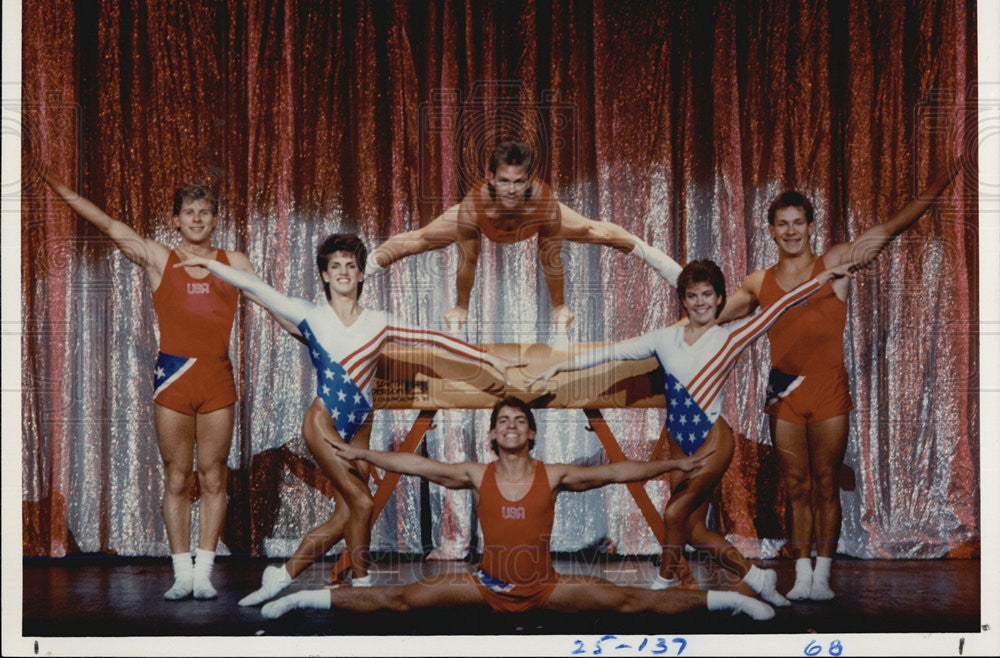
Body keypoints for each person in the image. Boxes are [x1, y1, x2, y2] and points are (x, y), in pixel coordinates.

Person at [176, 233, 518, 606]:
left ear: (359, 275)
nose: (342, 272)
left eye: (350, 266)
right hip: (323, 422)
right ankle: (340, 579)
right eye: (334, 266)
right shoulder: (309, 314)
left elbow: (434, 339)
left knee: (347, 514)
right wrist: (209, 264)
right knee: (364, 503)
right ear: (324, 275)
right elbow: (254, 285)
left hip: (360, 422)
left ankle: (329, 581)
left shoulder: (380, 322)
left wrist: (489, 359)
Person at [257, 397, 776, 621]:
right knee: (400, 600)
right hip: (486, 584)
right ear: (491, 434)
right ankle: (306, 601)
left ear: (530, 433)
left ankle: (728, 603)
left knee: (630, 601)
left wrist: (675, 465)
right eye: (502, 420)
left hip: (546, 587)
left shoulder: (553, 475)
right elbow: (415, 465)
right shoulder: (474, 474)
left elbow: (615, 473)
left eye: (518, 421)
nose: (510, 426)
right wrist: (364, 454)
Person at [528, 259, 854, 606]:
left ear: (719, 299)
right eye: (692, 295)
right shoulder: (663, 338)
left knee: (673, 514)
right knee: (695, 530)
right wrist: (558, 365)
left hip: (713, 440)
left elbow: (777, 308)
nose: (700, 302)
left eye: (707, 295)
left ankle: (664, 579)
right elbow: (611, 352)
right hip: (678, 441)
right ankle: (758, 578)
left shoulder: (730, 337)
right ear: (682, 300)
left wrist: (818, 279)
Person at [718, 174, 956, 599]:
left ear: (811, 226)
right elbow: (712, 318)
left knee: (825, 483)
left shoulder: (835, 264)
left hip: (829, 391)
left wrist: (938, 185)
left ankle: (822, 575)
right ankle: (802, 572)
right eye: (782, 224)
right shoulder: (758, 282)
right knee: (796, 487)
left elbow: (890, 228)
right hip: (783, 394)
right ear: (771, 230)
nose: (791, 231)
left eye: (798, 222)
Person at [41, 168, 270, 601]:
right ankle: (181, 573)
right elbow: (108, 224)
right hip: (175, 379)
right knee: (178, 478)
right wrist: (60, 188)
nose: (197, 220)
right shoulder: (157, 257)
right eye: (189, 213)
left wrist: (312, 336)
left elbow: (273, 304)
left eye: (205, 212)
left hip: (217, 378)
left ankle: (204, 572)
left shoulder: (235, 262)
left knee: (215, 477)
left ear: (216, 219)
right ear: (176, 220)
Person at [365, 139, 682, 331]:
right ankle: (361, 270)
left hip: (536, 224)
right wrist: (462, 306)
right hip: (481, 226)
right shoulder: (474, 207)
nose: (512, 189)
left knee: (590, 229)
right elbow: (468, 261)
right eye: (504, 181)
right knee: (420, 239)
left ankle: (669, 268)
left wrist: (558, 306)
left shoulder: (543, 203)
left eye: (519, 182)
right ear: (491, 178)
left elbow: (551, 257)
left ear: (530, 179)